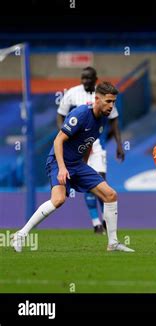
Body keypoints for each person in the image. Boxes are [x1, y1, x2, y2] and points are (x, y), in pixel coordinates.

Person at [12, 82, 134, 253]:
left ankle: (113, 243)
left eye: (113, 102)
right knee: (58, 200)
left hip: (78, 164)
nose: (111, 105)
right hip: (58, 161)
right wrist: (62, 168)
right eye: (108, 101)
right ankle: (21, 234)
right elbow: (58, 140)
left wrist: (83, 165)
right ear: (97, 99)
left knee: (111, 195)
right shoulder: (81, 114)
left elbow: (88, 143)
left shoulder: (102, 120)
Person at [57, 66, 125, 234]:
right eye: (83, 78)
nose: (85, 81)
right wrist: (67, 134)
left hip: (96, 145)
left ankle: (106, 221)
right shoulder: (72, 93)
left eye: (88, 78)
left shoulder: (105, 96)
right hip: (78, 144)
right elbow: (60, 115)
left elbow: (114, 120)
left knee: (100, 182)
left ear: (95, 79)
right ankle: (96, 224)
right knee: (86, 188)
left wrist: (119, 144)